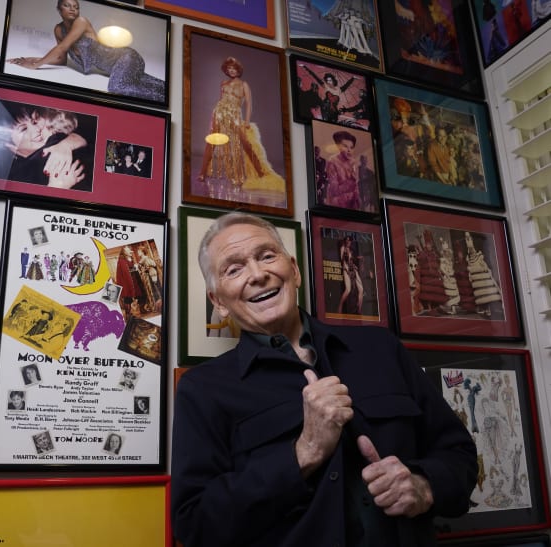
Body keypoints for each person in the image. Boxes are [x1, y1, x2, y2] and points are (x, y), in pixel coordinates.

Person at [171, 212, 477, 547]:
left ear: (295, 270)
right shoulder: (203, 389)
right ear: (219, 302)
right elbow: (195, 525)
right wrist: (305, 452)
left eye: (266, 256)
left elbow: (459, 454)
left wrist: (425, 485)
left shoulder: (380, 348)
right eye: (234, 269)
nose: (258, 275)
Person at [7, 0, 165, 103]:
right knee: (149, 83)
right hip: (118, 67)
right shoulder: (58, 30)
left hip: (127, 57)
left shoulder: (81, 22)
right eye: (67, 5)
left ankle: (162, 98)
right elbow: (61, 58)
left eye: (76, 7)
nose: (73, 9)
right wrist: (32, 59)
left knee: (116, 88)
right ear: (59, 9)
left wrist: (35, 66)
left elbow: (62, 47)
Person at [196, 57, 285, 193]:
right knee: (211, 141)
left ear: (238, 70)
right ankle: (202, 173)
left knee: (245, 143)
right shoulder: (223, 83)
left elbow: (249, 104)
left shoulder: (244, 85)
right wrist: (215, 115)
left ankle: (261, 172)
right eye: (229, 68)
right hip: (219, 113)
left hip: (235, 116)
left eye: (234, 68)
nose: (231, 71)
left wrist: (247, 121)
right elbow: (221, 101)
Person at [4, 106, 89, 190]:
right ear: (11, 147)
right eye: (23, 129)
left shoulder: (54, 142)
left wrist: (67, 144)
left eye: (34, 123)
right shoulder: (13, 179)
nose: (37, 129)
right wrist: (55, 188)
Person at [325, 130, 361, 210]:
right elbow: (334, 190)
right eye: (345, 146)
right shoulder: (332, 161)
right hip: (337, 206)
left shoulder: (353, 161)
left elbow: (356, 185)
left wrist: (357, 198)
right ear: (338, 146)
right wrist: (351, 182)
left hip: (352, 205)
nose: (349, 150)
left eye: (351, 147)